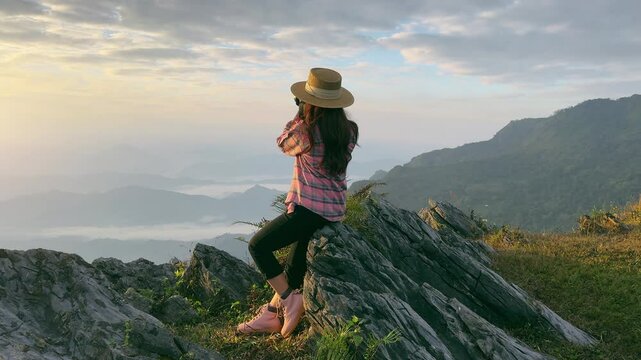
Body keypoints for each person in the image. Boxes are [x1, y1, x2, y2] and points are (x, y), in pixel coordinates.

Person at [236, 68, 359, 338]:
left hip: (307, 210)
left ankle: (291, 301)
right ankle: (270, 315)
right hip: (333, 211)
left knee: (258, 246)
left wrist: (300, 113)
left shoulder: (305, 131)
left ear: (310, 102)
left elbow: (283, 143)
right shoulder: (350, 130)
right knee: (292, 270)